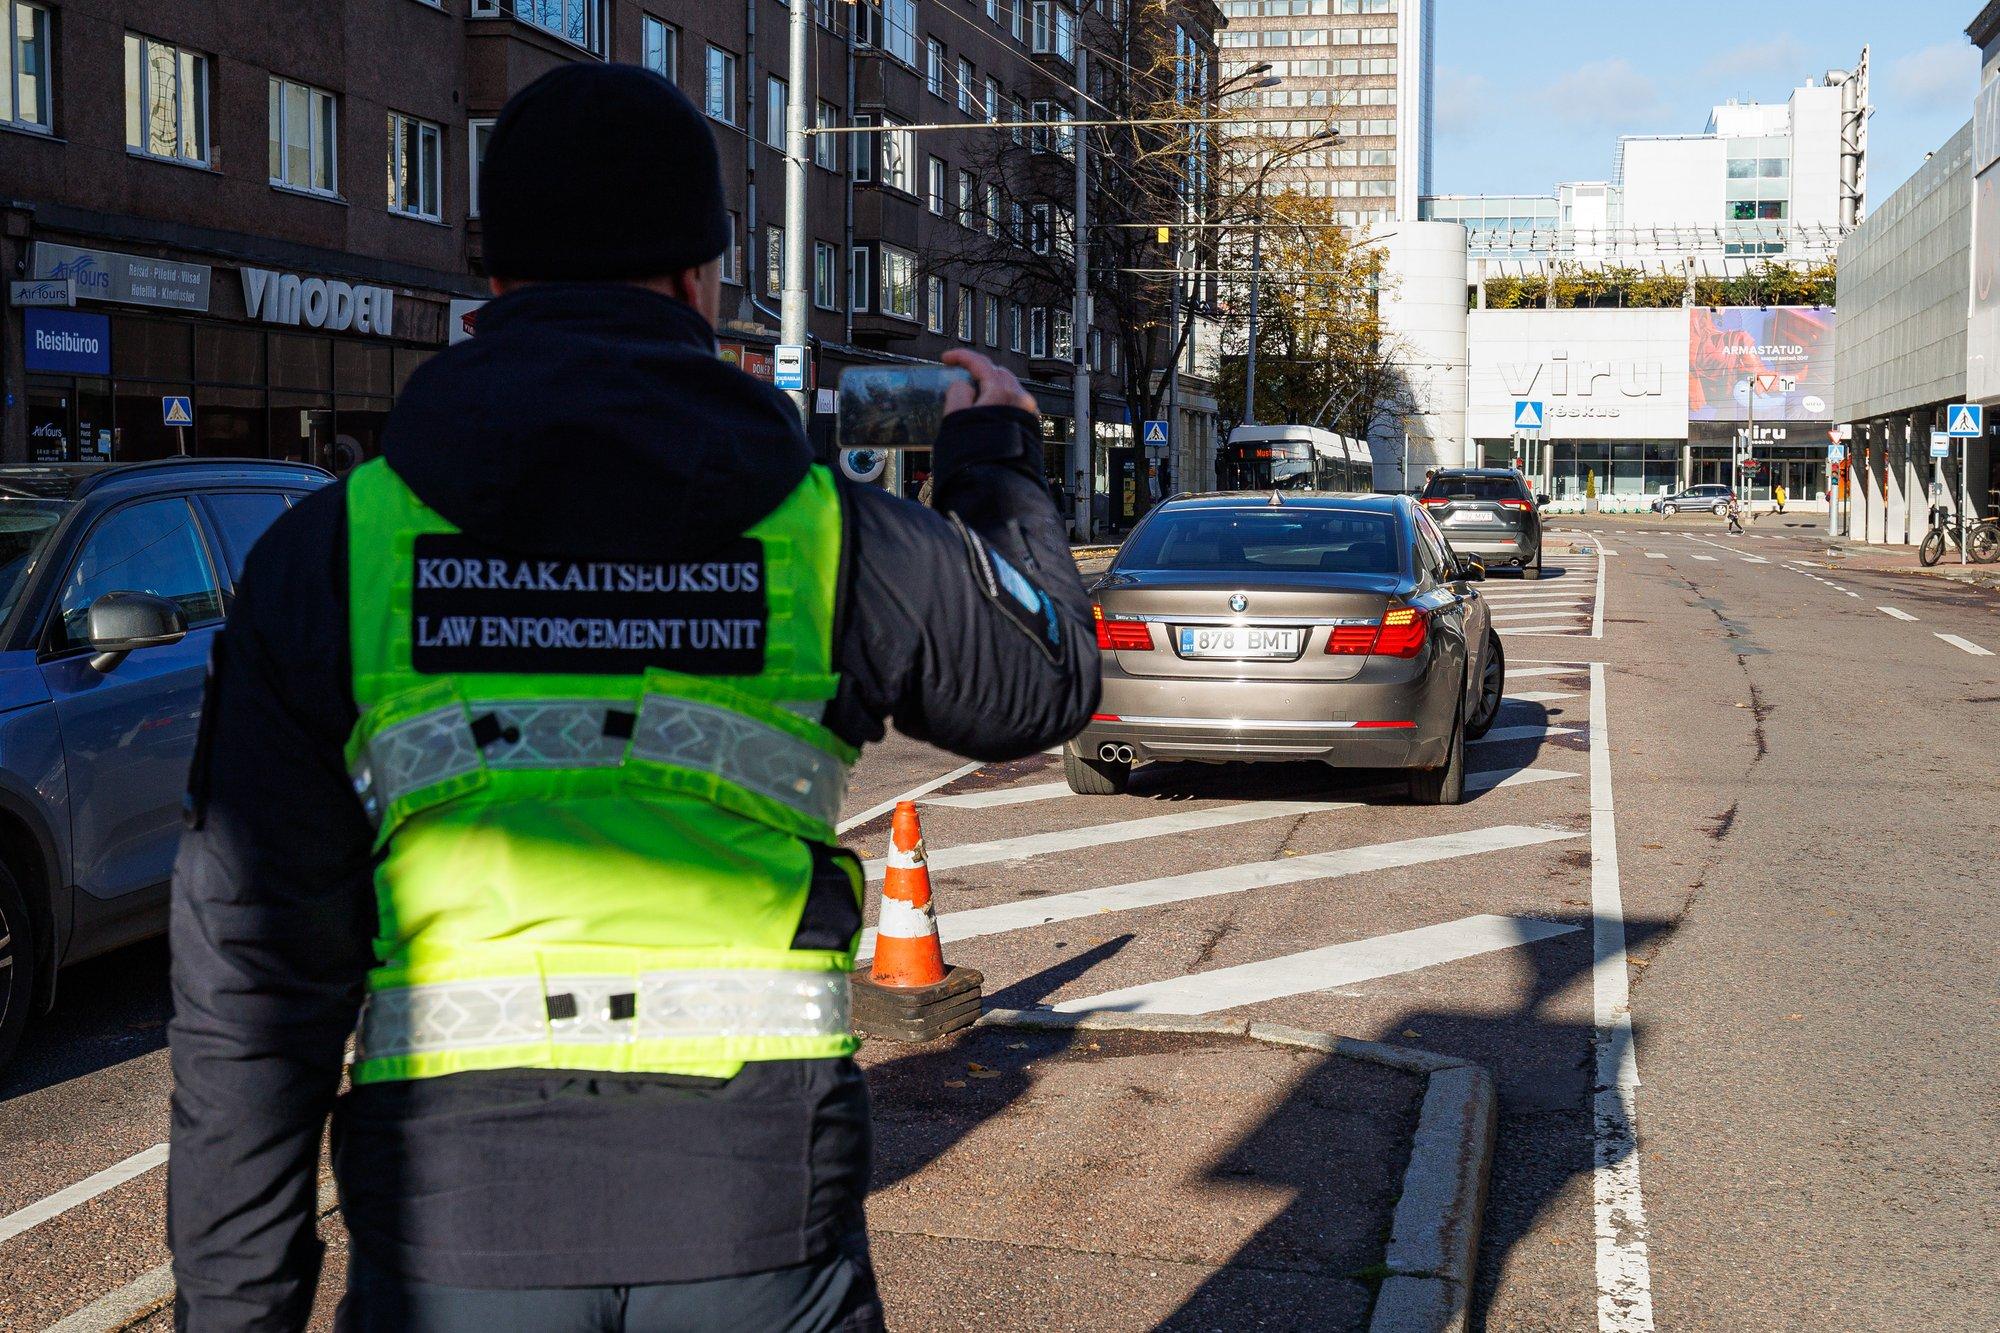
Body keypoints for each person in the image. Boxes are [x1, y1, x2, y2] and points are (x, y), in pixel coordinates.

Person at [166, 65, 1099, 1332]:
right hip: (754, 1207)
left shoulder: (332, 555)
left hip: (453, 1225)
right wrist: (994, 471)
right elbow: (1040, 683)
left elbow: (250, 996)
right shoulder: (829, 536)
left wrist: (238, 1310)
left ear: (492, 280)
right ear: (701, 280)